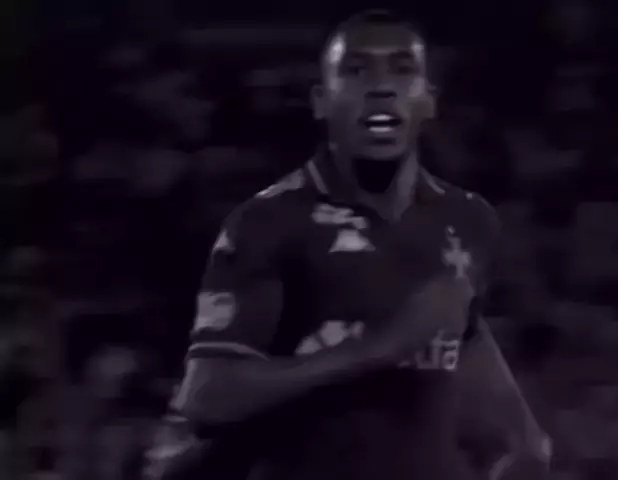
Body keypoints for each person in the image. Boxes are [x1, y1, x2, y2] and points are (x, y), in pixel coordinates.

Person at [144, 10, 551, 480]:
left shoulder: (468, 218)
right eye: (356, 70)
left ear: (428, 101)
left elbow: (459, 333)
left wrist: (524, 439)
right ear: (322, 101)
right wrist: (379, 347)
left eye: (402, 69)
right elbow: (207, 396)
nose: (381, 87)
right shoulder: (268, 222)